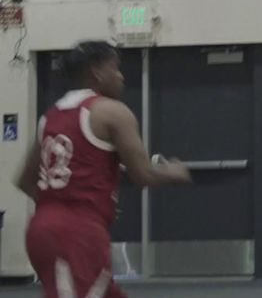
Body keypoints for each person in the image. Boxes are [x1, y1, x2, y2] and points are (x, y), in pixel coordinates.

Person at [15, 40, 191, 298]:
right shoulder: (112, 112)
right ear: (97, 71)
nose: (120, 77)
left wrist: (67, 203)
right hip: (77, 235)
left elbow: (25, 180)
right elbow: (142, 174)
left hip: (44, 227)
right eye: (115, 68)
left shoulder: (50, 116)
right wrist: (176, 172)